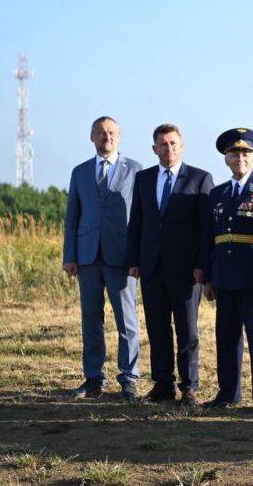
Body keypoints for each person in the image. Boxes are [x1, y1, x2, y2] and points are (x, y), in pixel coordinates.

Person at [126, 124, 214, 405]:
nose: (169, 149)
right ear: (155, 149)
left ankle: (189, 386)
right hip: (152, 267)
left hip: (187, 270)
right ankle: (163, 385)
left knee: (187, 330)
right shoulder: (143, 179)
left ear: (183, 145)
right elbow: (136, 223)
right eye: (163, 144)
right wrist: (134, 260)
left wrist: (202, 264)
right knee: (157, 328)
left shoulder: (200, 179)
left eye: (174, 143)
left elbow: (206, 229)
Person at [62, 116, 143, 402]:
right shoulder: (80, 172)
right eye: (99, 133)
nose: (105, 137)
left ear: (119, 136)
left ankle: (129, 378)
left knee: (127, 320)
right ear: (91, 137)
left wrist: (137, 256)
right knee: (91, 318)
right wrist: (69, 255)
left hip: (120, 256)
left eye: (110, 132)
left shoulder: (135, 170)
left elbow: (140, 218)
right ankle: (94, 378)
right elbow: (72, 216)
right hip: (86, 257)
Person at [200, 128, 253, 414]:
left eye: (245, 153)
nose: (240, 157)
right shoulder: (217, 193)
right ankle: (228, 392)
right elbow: (209, 237)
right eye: (234, 153)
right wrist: (207, 277)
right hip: (225, 274)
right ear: (226, 159)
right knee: (226, 335)